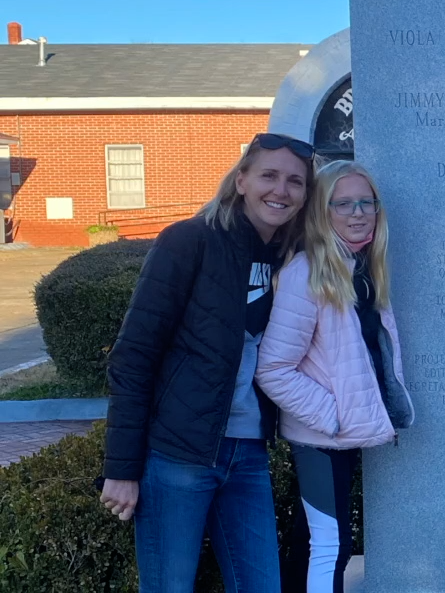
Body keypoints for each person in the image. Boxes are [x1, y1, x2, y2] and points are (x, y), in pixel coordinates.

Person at [99, 132, 315, 592]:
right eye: (269, 176)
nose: (281, 190)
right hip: (178, 454)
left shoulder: (291, 258)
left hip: (249, 453)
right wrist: (121, 468)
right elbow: (133, 356)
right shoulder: (189, 241)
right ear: (241, 180)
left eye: (295, 182)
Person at [256, 159, 415, 592]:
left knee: (313, 539)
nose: (358, 212)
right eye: (343, 203)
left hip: (341, 432)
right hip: (320, 436)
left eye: (367, 202)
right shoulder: (307, 273)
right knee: (331, 546)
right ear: (322, 213)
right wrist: (334, 414)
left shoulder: (361, 270)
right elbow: (272, 368)